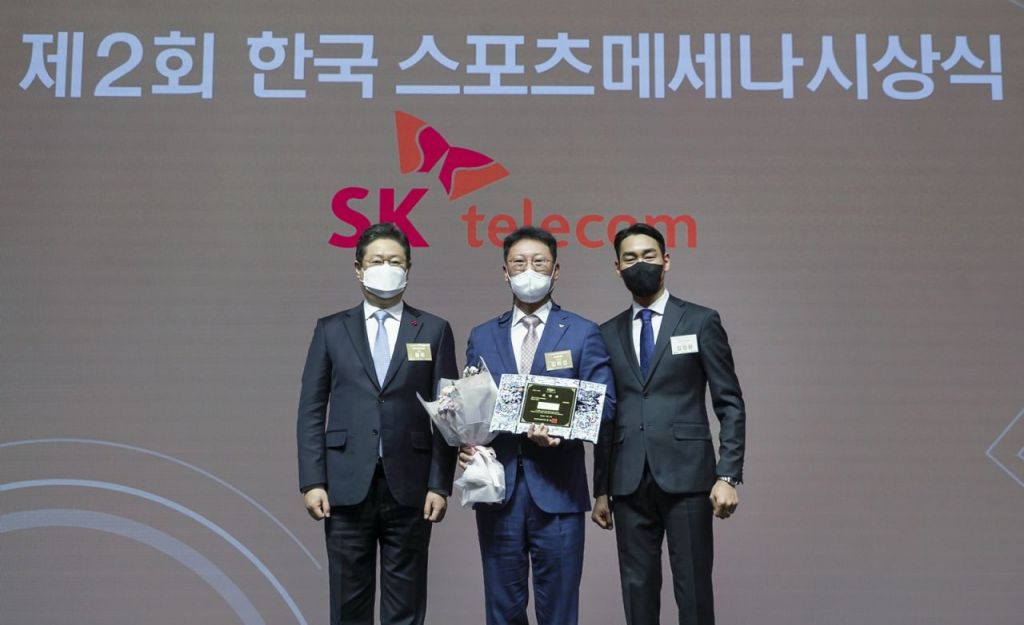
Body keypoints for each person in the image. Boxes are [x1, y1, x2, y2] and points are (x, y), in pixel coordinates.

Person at [296, 223, 458, 625]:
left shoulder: (434, 329)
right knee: (348, 605)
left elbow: (448, 413)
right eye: (377, 261)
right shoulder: (331, 329)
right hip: (345, 485)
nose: (386, 268)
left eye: (395, 261)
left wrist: (440, 484)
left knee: (406, 606)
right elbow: (312, 408)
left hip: (412, 486)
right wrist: (313, 481)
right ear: (358, 268)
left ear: (408, 269)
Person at [460, 226, 615, 625]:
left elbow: (605, 405)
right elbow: (471, 404)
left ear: (555, 270)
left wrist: (562, 431)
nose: (529, 270)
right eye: (519, 262)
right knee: (502, 609)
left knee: (559, 610)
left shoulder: (583, 332)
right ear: (505, 272)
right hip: (498, 492)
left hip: (559, 491)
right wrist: (467, 441)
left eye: (539, 262)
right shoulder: (482, 335)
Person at [592, 222, 746, 625]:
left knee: (694, 591)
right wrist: (601, 489)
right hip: (627, 481)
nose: (639, 264)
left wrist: (728, 475)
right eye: (629, 258)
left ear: (666, 260)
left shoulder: (700, 321)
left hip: (689, 478)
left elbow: (730, 402)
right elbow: (605, 416)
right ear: (617, 267)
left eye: (648, 255)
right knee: (636, 592)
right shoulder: (605, 333)